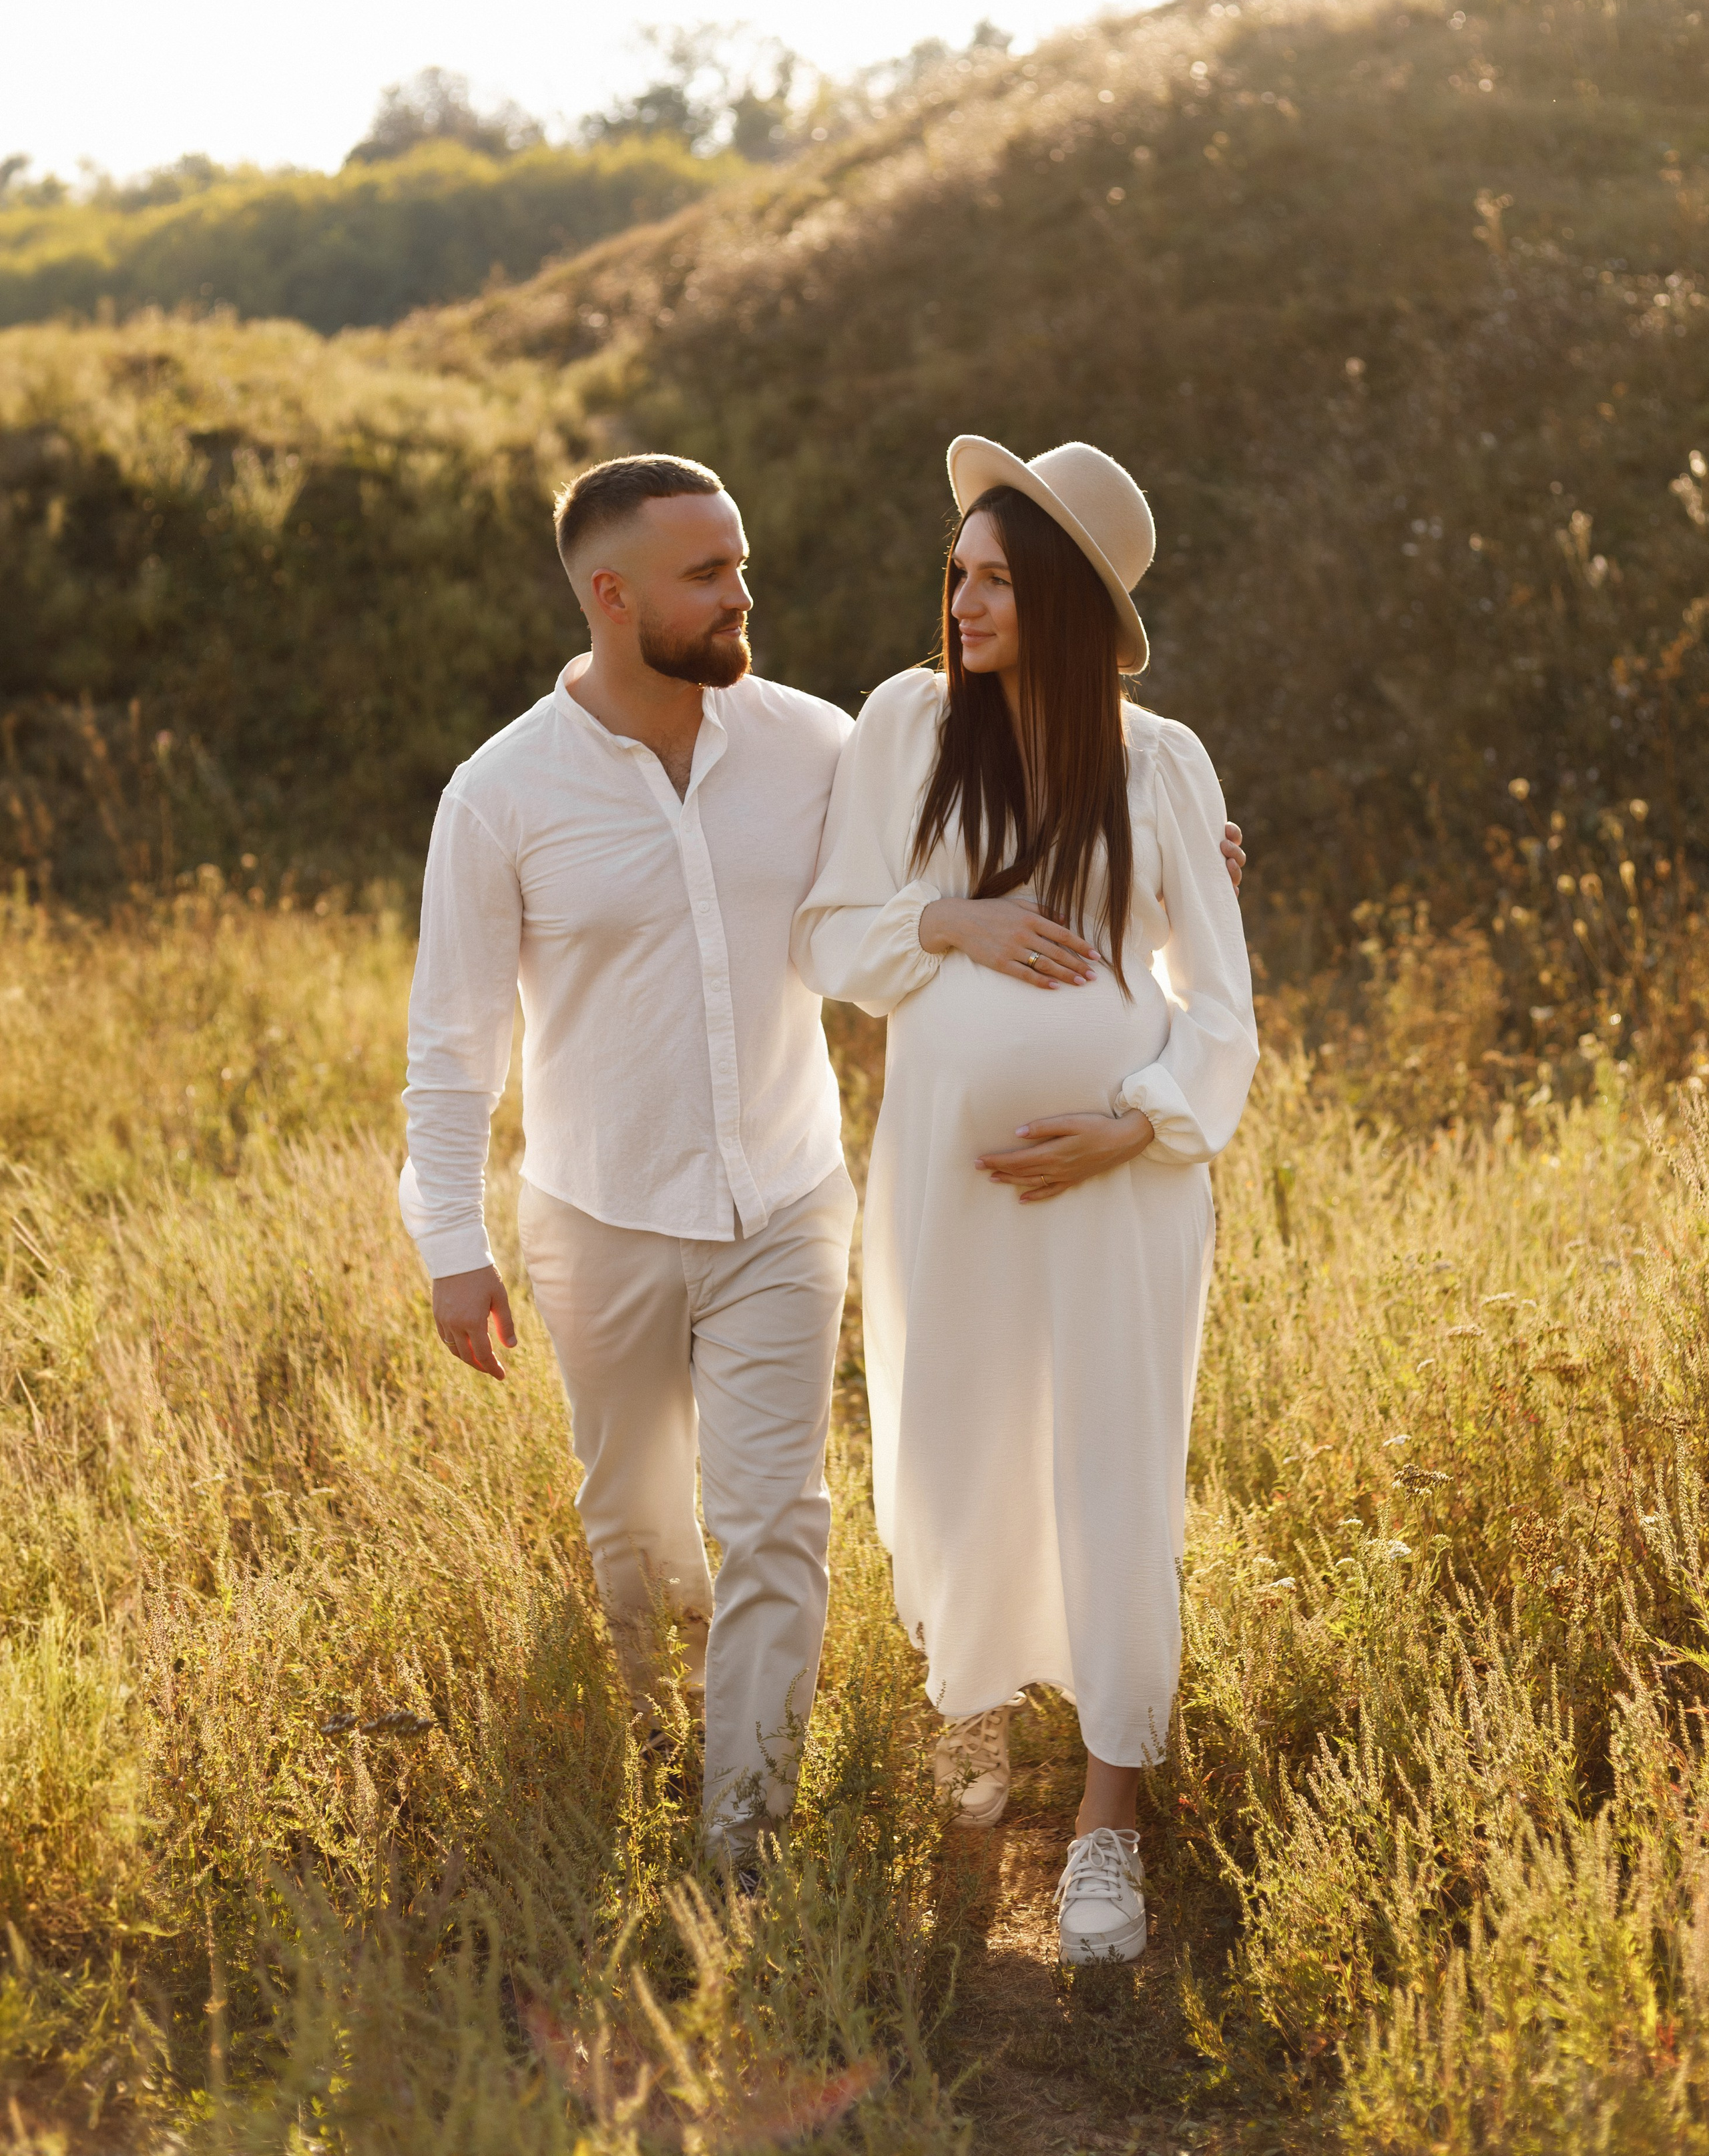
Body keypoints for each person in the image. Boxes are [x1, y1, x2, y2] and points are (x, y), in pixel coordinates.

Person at [399, 448, 1247, 1872]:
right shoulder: (515, 793)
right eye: (711, 573)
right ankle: (682, 1747)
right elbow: (462, 1042)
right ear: (612, 594)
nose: (748, 592)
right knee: (658, 1517)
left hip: (810, 1196)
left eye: (739, 561)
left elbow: (1153, 908)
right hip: (612, 1207)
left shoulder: (822, 737)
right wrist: (448, 1236)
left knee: (794, 1516)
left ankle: (750, 1838)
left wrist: (1181, 875)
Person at [792, 437, 1258, 1963]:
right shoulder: (905, 724)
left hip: (1121, 1189)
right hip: (947, 1174)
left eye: (995, 576)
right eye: (958, 569)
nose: (962, 597)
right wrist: (960, 919)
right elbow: (832, 935)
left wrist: (1133, 1127)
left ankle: (1108, 1819)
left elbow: (1220, 1001)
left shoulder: (1160, 761)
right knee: (951, 1442)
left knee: (1115, 1460)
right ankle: (972, 1724)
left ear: (1057, 595)